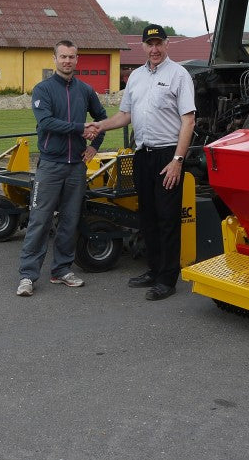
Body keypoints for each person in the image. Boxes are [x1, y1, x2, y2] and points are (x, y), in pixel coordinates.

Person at [86, 24, 195, 301]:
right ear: (143, 47)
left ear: (167, 44)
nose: (155, 49)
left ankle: (167, 278)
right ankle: (153, 270)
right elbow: (125, 116)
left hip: (168, 155)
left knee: (167, 218)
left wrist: (177, 160)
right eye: (150, 44)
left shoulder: (179, 75)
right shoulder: (135, 76)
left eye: (159, 43)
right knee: (147, 216)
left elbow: (188, 120)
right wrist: (100, 125)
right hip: (142, 154)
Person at [16, 40, 107, 297]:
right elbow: (46, 123)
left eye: (72, 57)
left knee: (69, 221)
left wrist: (94, 147)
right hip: (51, 166)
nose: (68, 61)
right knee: (39, 221)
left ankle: (62, 270)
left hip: (76, 167)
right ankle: (27, 276)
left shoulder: (85, 90)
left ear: (77, 60)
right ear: (54, 58)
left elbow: (101, 119)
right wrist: (80, 128)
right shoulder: (43, 90)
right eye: (63, 56)